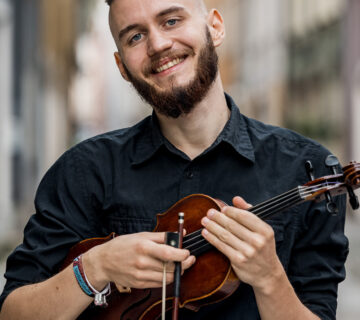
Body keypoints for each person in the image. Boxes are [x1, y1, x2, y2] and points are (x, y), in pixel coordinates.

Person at [0, 0, 349, 319]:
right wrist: (94, 267)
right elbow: (13, 312)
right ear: (122, 66)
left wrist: (270, 278)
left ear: (214, 27)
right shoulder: (84, 172)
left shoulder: (307, 168)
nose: (158, 45)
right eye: (135, 36)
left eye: (171, 20)